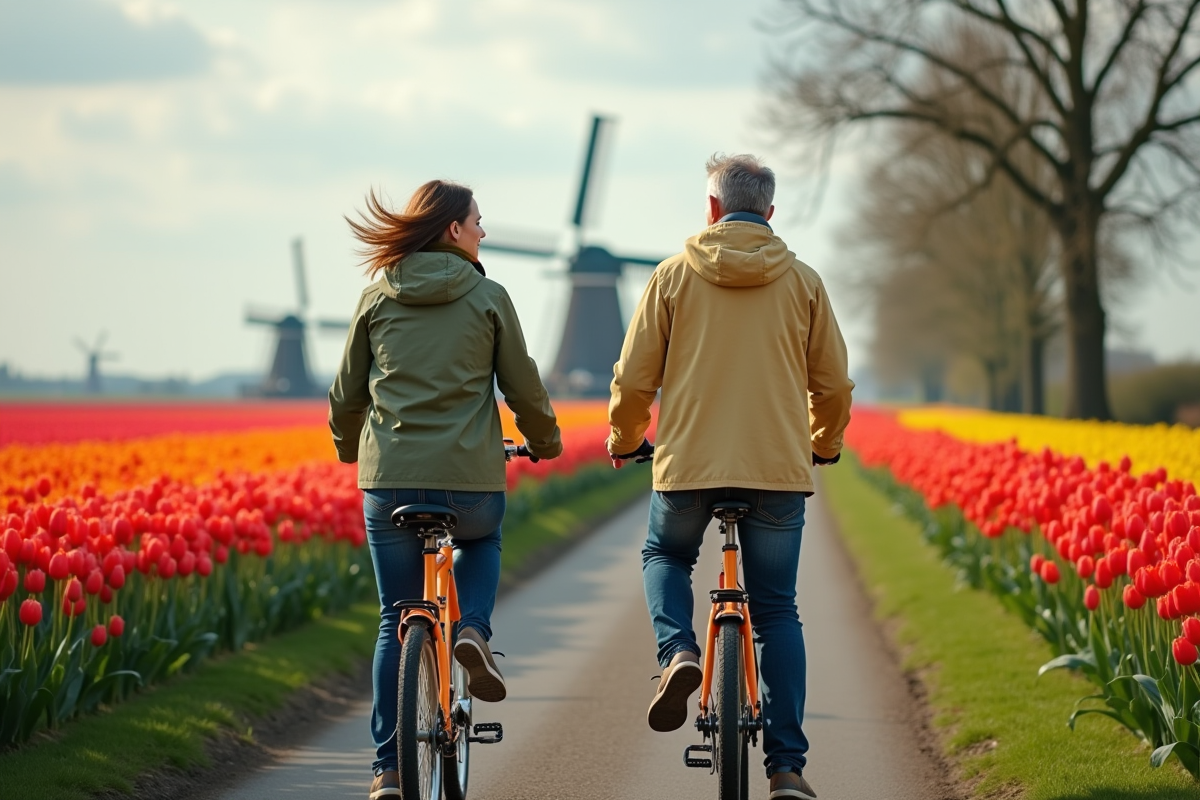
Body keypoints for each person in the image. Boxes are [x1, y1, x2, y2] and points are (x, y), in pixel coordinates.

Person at [607, 154, 853, 800]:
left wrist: (625, 439)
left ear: (712, 209)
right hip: (776, 473)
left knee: (665, 552)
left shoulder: (670, 279)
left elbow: (634, 379)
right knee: (776, 610)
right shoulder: (803, 283)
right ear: (769, 213)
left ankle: (679, 654)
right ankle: (787, 768)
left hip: (688, 467)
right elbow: (832, 385)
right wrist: (822, 445)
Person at [328, 180, 562, 800]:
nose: (484, 232)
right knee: (482, 542)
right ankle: (472, 633)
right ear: (454, 230)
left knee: (393, 618)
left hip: (389, 484)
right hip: (469, 484)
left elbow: (346, 394)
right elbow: (523, 386)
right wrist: (546, 441)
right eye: (479, 222)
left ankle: (386, 771)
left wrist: (353, 450)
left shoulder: (376, 297)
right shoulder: (489, 296)